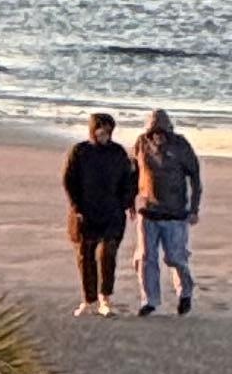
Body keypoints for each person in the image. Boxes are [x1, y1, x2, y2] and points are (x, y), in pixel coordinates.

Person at [62, 110, 139, 314]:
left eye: (108, 130)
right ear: (93, 130)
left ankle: (105, 298)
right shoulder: (80, 151)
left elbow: (129, 181)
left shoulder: (118, 152)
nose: (104, 134)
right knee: (85, 256)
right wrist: (76, 207)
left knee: (107, 254)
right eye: (100, 130)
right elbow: (69, 180)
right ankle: (89, 300)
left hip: (112, 213)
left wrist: (125, 202)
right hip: (85, 213)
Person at [133, 107, 202, 317]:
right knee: (145, 258)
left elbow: (195, 176)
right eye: (154, 132)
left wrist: (194, 208)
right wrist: (129, 201)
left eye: (162, 132)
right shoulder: (141, 143)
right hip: (148, 212)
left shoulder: (181, 145)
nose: (158, 136)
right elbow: (133, 172)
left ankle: (185, 292)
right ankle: (149, 300)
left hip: (175, 214)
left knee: (176, 258)